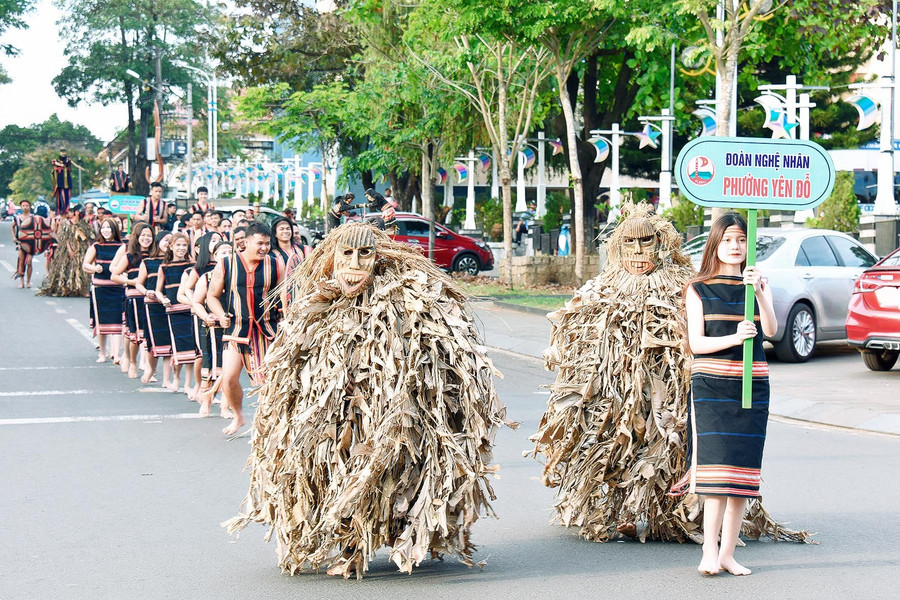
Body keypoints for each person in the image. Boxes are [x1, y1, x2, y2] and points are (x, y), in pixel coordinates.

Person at [223, 223, 512, 579]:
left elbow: (445, 355)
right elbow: (290, 361)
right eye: (346, 254)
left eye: (364, 254)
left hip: (388, 418)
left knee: (374, 478)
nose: (354, 265)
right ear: (332, 257)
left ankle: (359, 547)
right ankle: (349, 543)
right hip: (332, 417)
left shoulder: (409, 302)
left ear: (379, 258)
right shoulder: (315, 305)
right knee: (335, 475)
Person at [673, 212, 777, 576]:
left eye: (741, 240)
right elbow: (696, 344)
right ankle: (708, 552)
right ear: (715, 244)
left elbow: (774, 330)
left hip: (753, 388)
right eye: (728, 239)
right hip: (712, 388)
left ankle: (729, 554)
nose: (735, 246)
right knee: (716, 478)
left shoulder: (756, 286)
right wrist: (736, 337)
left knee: (742, 480)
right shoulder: (698, 288)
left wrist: (761, 294)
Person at [206, 222, 282, 435]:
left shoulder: (275, 265)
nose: (264, 248)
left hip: (265, 331)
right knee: (229, 378)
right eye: (259, 243)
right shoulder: (226, 264)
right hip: (236, 330)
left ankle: (268, 422)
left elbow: (284, 297)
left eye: (267, 243)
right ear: (246, 242)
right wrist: (221, 315)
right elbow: (211, 296)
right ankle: (238, 416)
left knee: (266, 382)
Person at [191, 240, 233, 417]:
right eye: (223, 252)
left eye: (230, 252)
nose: (227, 255)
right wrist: (206, 316)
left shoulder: (237, 276)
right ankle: (206, 402)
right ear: (215, 257)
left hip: (232, 328)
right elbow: (197, 303)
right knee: (210, 368)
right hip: (211, 329)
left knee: (229, 370)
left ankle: (225, 407)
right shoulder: (206, 277)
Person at [156, 232, 200, 393]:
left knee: (192, 347)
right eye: (178, 245)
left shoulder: (192, 265)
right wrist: (163, 299)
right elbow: (158, 290)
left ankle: (188, 384)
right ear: (171, 246)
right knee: (178, 346)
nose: (181, 248)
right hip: (174, 310)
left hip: (190, 310)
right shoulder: (164, 267)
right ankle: (176, 378)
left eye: (184, 245)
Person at [111, 223, 155, 378]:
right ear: (136, 237)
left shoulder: (155, 255)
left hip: (152, 299)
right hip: (134, 298)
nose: (146, 238)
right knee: (134, 335)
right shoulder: (130, 256)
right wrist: (132, 281)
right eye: (143, 235)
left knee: (150, 335)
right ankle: (132, 362)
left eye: (149, 235)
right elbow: (114, 275)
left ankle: (149, 368)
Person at [83, 218, 126, 364]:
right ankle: (102, 353)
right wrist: (95, 269)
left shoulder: (122, 246)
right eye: (103, 227)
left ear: (115, 230)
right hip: (100, 288)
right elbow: (85, 265)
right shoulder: (97, 246)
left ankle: (116, 354)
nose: (106, 230)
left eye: (109, 227)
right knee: (101, 323)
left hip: (118, 288)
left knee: (117, 321)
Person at [135, 231, 174, 386]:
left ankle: (167, 380)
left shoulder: (176, 261)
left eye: (172, 241)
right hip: (153, 306)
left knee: (171, 343)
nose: (168, 244)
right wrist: (146, 292)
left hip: (172, 305)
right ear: (158, 241)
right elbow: (139, 283)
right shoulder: (148, 262)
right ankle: (151, 369)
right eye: (166, 240)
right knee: (154, 342)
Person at [38, 207, 94, 297]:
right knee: (68, 268)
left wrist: (89, 249)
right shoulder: (67, 223)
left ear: (76, 212)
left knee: (83, 270)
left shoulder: (84, 223)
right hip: (68, 249)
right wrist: (70, 250)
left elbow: (88, 238)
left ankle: (84, 290)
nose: (69, 214)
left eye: (71, 212)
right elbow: (66, 239)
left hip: (82, 249)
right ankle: (68, 288)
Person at [11, 200, 52, 288]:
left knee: (29, 261)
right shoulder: (18, 218)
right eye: (23, 206)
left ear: (30, 207)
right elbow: (12, 227)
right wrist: (14, 237)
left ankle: (28, 281)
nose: (25, 207)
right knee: (21, 261)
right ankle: (21, 281)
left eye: (27, 205)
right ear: (21, 207)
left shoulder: (35, 218)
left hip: (33, 244)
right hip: (21, 243)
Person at [51, 148, 82, 215]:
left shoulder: (68, 160)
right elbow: (54, 163)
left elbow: (66, 164)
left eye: (64, 152)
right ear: (60, 153)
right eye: (62, 152)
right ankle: (59, 212)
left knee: (66, 198)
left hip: (66, 183)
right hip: (59, 183)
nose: (63, 153)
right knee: (59, 199)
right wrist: (59, 164)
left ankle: (64, 211)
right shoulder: (56, 160)